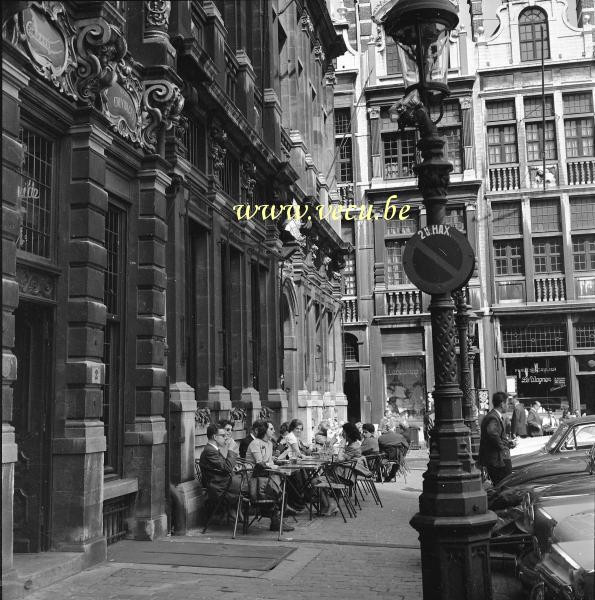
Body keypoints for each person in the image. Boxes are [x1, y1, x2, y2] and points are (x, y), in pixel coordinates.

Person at [245, 420, 295, 531]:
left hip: (264, 477)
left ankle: (277, 519)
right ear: (264, 430)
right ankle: (276, 519)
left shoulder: (269, 443)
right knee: (276, 490)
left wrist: (277, 462)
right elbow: (259, 463)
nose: (274, 431)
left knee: (282, 489)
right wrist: (273, 466)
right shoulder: (255, 443)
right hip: (253, 479)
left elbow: (268, 462)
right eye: (271, 429)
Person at [199, 424, 243, 520]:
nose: (226, 438)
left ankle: (236, 512)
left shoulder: (213, 450)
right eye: (223, 436)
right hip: (220, 487)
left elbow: (224, 466)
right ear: (215, 437)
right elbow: (227, 467)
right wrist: (231, 451)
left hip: (223, 483)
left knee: (249, 482)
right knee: (249, 485)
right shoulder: (210, 451)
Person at [479, 391, 516, 485]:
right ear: (502, 404)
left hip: (498, 459)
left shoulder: (494, 416)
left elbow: (495, 434)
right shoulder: (493, 417)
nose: (508, 406)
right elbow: (492, 433)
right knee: (504, 485)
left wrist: (507, 443)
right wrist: (503, 448)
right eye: (507, 403)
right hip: (498, 461)